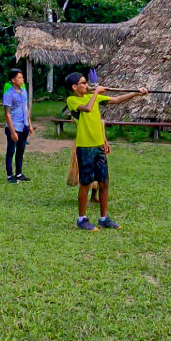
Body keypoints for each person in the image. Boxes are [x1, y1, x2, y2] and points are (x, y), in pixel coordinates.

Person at [63, 72, 147, 230]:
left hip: (98, 146)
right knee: (86, 183)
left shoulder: (93, 97)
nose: (86, 84)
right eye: (83, 83)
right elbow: (87, 109)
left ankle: (104, 218)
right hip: (85, 147)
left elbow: (116, 100)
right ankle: (82, 219)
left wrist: (136, 93)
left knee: (104, 182)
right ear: (74, 87)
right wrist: (95, 92)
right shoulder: (72, 100)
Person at [3, 69, 33, 183]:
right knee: (11, 151)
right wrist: (12, 131)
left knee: (21, 150)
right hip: (14, 125)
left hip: (24, 124)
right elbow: (7, 114)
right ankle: (10, 175)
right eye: (19, 77)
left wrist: (30, 124)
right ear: (13, 80)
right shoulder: (9, 94)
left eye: (22, 77)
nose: (22, 79)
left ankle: (19, 173)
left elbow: (25, 108)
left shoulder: (24, 92)